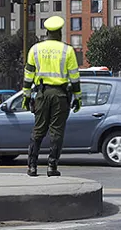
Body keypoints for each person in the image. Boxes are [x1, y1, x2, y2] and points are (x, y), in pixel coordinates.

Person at [22, 15, 82, 177]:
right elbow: (74, 77)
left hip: (41, 94)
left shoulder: (35, 49)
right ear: (60, 33)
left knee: (38, 130)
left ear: (47, 32)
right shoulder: (67, 50)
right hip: (60, 95)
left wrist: (26, 96)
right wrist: (77, 97)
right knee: (56, 132)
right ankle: (51, 166)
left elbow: (28, 75)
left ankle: (32, 166)